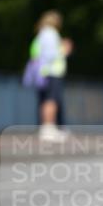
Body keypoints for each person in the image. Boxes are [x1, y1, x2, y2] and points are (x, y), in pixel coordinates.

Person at [28, 11, 73, 143]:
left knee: (45, 100)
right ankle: (49, 129)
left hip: (42, 72)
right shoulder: (51, 34)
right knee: (51, 100)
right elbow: (51, 55)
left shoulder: (40, 34)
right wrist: (64, 50)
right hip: (52, 72)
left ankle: (46, 128)